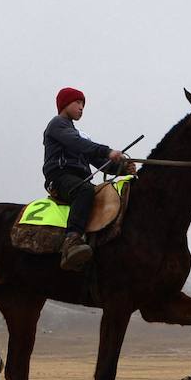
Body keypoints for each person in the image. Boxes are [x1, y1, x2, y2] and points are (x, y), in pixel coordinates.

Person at [43, 87, 131, 271]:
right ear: (65, 104)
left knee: (105, 194)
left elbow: (98, 161)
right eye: (77, 102)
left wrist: (121, 168)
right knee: (85, 191)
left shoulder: (79, 135)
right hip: (60, 177)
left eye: (83, 104)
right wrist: (107, 151)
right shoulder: (57, 124)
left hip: (79, 179)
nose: (81, 107)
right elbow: (81, 145)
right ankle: (72, 240)